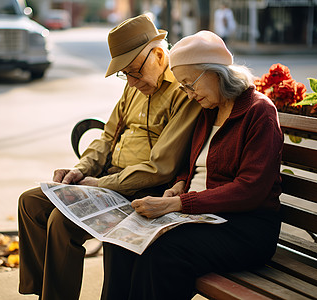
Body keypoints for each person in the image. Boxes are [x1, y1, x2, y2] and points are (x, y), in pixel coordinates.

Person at [18, 14, 202, 300]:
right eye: (124, 73)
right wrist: (80, 170)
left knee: (60, 222)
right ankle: (42, 292)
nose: (130, 80)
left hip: (143, 188)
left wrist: (100, 185)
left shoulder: (183, 90)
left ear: (156, 55)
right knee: (30, 202)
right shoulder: (134, 87)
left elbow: (160, 169)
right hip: (108, 177)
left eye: (134, 71)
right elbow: (107, 136)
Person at [100, 30, 283, 300]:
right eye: (183, 86)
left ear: (216, 72)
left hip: (244, 227)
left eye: (189, 84)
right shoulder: (209, 110)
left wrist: (180, 204)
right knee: (122, 239)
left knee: (163, 251)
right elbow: (194, 163)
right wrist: (179, 184)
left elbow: (250, 189)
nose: (187, 94)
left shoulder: (259, 112)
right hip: (200, 217)